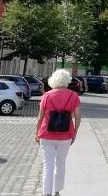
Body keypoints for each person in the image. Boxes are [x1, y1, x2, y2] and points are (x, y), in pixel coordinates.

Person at [35, 68, 81, 196]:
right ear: (67, 80)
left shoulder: (46, 95)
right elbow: (78, 116)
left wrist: (36, 133)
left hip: (46, 134)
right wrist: (75, 132)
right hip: (66, 135)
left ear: (53, 80)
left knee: (47, 165)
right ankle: (57, 191)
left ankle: (46, 193)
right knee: (60, 164)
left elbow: (40, 117)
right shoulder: (73, 96)